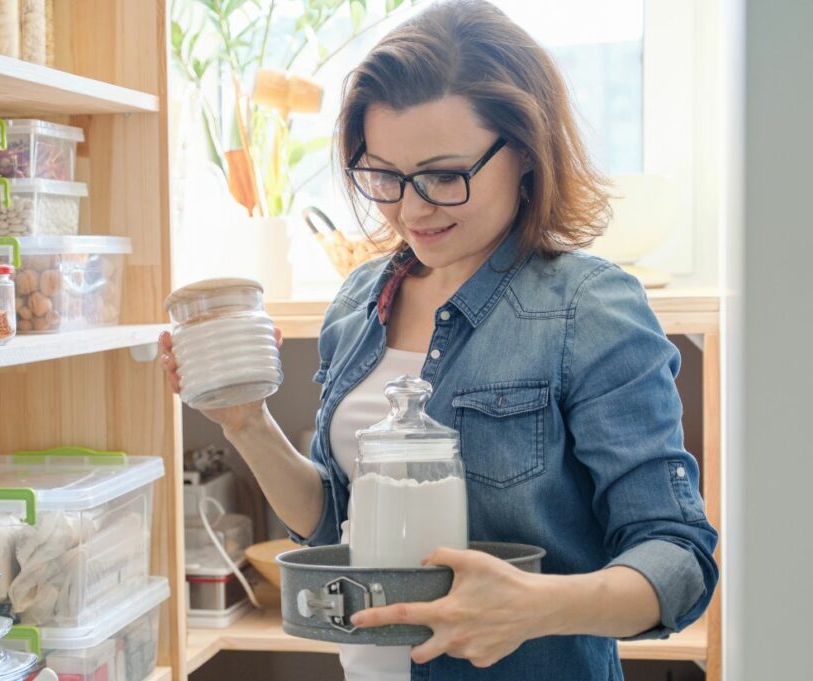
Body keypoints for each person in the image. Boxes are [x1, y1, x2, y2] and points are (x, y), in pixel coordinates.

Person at [160, 1, 719, 679]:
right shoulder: (359, 301)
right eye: (384, 176)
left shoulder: (587, 308)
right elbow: (337, 517)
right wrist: (244, 421)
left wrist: (534, 605)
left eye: (444, 175)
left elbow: (679, 557)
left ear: (524, 151)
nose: (411, 207)